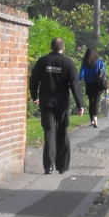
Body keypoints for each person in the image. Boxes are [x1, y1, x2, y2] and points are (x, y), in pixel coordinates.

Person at [29, 37, 84, 175]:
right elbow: (74, 85)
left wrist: (35, 96)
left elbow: (33, 81)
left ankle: (48, 167)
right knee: (62, 132)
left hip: (47, 103)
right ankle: (62, 166)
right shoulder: (68, 63)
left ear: (51, 47)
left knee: (49, 132)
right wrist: (80, 105)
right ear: (63, 48)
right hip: (62, 104)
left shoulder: (43, 61)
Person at [79, 47, 106, 128]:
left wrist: (78, 80)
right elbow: (104, 73)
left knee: (91, 102)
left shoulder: (85, 64)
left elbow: (81, 75)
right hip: (98, 84)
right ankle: (95, 117)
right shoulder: (100, 62)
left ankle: (92, 120)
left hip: (89, 84)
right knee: (96, 102)